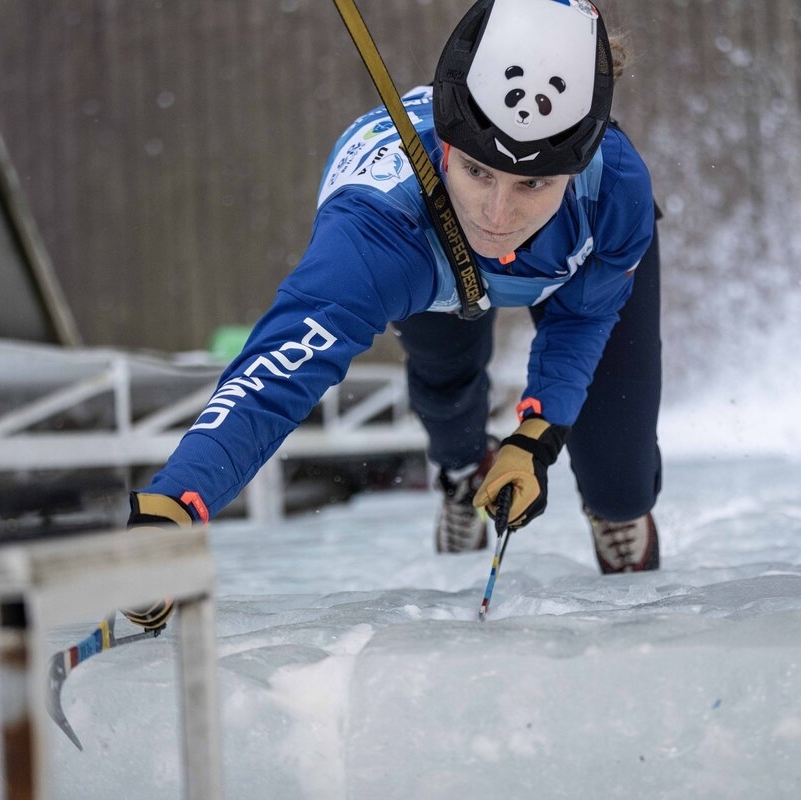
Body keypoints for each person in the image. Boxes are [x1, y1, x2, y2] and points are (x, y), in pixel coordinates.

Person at [122, 0, 663, 631]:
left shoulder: (615, 188)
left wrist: (535, 437)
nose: (496, 216)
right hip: (431, 249)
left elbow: (583, 318)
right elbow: (282, 367)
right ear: (446, 145)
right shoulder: (379, 225)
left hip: (565, 259)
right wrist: (175, 504)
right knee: (446, 390)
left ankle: (616, 508)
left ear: (578, 166)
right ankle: (461, 472)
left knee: (619, 481)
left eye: (533, 184)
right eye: (477, 170)